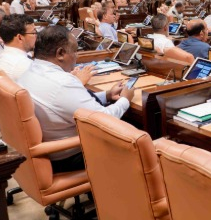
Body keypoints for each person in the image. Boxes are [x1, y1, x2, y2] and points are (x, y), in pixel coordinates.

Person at [18, 26, 134, 173]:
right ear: (60, 53)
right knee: (137, 133)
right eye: (74, 51)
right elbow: (105, 120)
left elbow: (68, 103)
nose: (76, 56)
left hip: (48, 150)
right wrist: (125, 99)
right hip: (69, 156)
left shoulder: (31, 71)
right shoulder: (63, 83)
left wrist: (106, 95)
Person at [0, 14, 36, 80]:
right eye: (33, 33)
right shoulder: (24, 65)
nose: (36, 36)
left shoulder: (2, 56)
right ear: (20, 37)